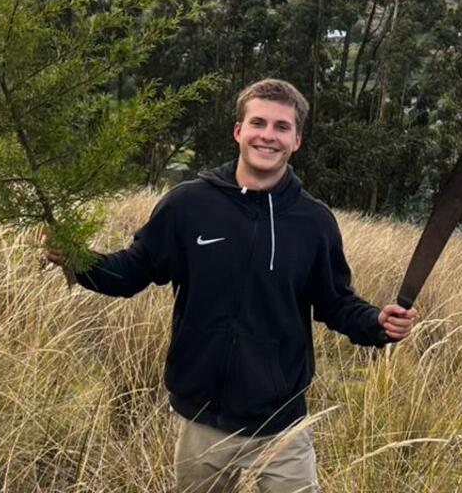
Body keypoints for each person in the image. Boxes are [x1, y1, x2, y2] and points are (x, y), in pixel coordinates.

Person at [45, 78, 417, 492]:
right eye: (258, 123)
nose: (268, 135)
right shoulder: (188, 205)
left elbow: (335, 302)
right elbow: (132, 271)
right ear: (238, 130)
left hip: (281, 424)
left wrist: (376, 323)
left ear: (296, 140)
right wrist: (79, 261)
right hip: (203, 419)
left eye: (281, 127)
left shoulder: (313, 222)